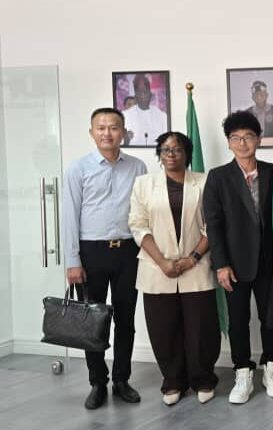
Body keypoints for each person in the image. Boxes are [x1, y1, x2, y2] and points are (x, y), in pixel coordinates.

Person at [62, 107, 147, 409]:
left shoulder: (137, 167)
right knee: (93, 322)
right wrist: (72, 260)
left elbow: (143, 211)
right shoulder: (78, 169)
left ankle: (122, 379)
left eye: (113, 127)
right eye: (101, 127)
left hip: (128, 252)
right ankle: (97, 381)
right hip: (91, 253)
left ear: (123, 132)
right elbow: (69, 216)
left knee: (126, 319)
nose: (107, 133)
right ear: (92, 132)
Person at [128, 131, 220, 405]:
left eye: (178, 149)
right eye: (166, 149)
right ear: (159, 154)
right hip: (156, 268)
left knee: (201, 328)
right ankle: (172, 381)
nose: (171, 154)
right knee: (163, 328)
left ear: (187, 154)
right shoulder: (144, 184)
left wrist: (192, 258)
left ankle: (203, 379)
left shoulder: (204, 181)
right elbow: (137, 225)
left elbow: (213, 224)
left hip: (196, 265)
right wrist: (162, 261)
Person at [203, 111, 273, 404]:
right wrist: (221, 264)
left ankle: (271, 369)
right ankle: (242, 372)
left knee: (271, 318)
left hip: (269, 261)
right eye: (236, 138)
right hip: (234, 264)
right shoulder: (218, 177)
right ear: (228, 142)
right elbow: (213, 224)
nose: (242, 143)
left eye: (248, 137)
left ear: (258, 140)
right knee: (238, 320)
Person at [122, 73, 168, 146]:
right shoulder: (125, 115)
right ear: (135, 97)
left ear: (150, 95)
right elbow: (121, 144)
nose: (143, 96)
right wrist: (126, 140)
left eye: (145, 92)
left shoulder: (161, 115)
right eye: (140, 92)